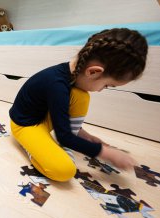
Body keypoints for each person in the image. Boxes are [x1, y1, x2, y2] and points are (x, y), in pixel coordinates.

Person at [9, 28, 148, 182]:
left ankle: (65, 139)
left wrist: (86, 136)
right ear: (93, 72)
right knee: (65, 171)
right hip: (26, 125)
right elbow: (64, 138)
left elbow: (60, 115)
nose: (102, 90)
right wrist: (107, 153)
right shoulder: (57, 85)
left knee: (81, 96)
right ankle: (28, 146)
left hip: (44, 114)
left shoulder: (70, 76)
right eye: (107, 85)